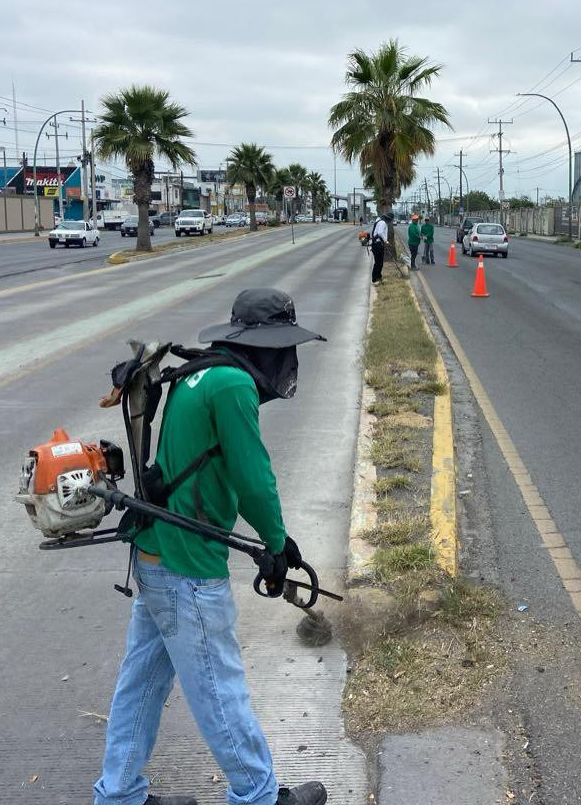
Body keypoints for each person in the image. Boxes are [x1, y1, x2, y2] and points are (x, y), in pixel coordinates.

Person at [93, 288, 329, 805]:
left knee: (142, 685)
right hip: (187, 565)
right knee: (219, 688)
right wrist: (276, 542)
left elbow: (212, 468)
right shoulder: (232, 385)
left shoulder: (199, 372)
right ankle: (259, 795)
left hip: (155, 553)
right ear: (267, 348)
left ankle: (119, 795)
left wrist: (275, 546)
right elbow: (252, 476)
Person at [370, 212, 389, 284]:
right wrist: (385, 241)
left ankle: (378, 277)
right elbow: (380, 233)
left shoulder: (379, 222)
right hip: (378, 245)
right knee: (378, 263)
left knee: (379, 262)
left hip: (376, 244)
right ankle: (375, 279)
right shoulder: (383, 223)